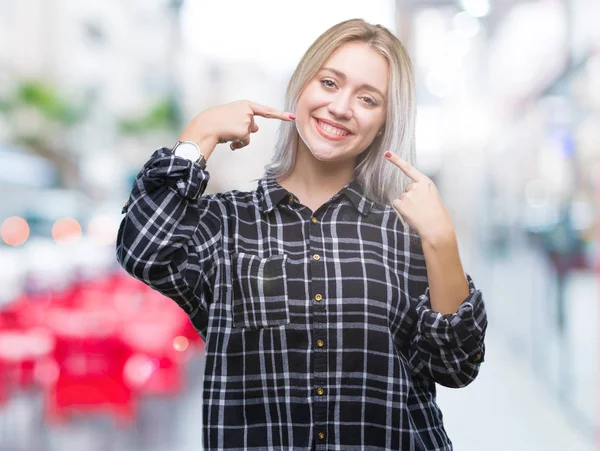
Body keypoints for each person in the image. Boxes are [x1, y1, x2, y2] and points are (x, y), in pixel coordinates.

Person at [116, 18, 487, 451]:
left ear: (385, 122)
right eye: (330, 83)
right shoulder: (224, 223)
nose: (342, 107)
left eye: (368, 99)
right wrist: (198, 136)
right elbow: (142, 250)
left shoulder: (406, 231)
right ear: (300, 88)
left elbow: (455, 366)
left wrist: (442, 241)